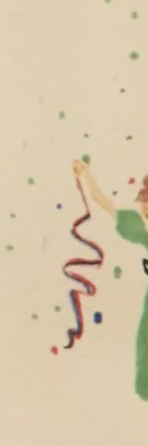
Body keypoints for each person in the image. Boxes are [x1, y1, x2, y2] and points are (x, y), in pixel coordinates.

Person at [72, 158, 148, 400]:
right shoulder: (135, 224)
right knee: (144, 341)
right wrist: (87, 173)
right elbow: (102, 201)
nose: (144, 206)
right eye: (143, 201)